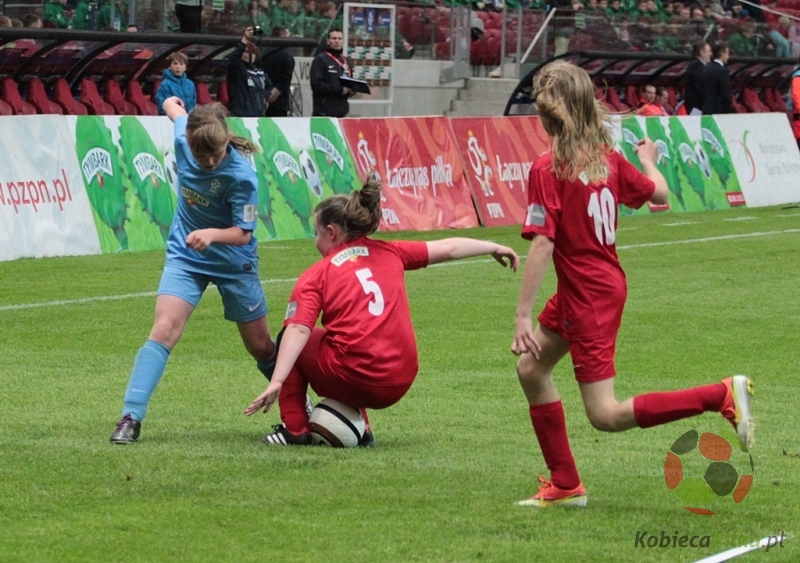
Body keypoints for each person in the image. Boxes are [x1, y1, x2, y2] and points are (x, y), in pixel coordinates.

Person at [512, 61, 753, 507]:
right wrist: (648, 160)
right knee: (531, 369)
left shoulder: (549, 168)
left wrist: (523, 314)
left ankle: (718, 395)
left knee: (605, 414)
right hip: (591, 288)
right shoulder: (609, 160)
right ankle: (565, 484)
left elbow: (543, 244)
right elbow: (659, 194)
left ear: (548, 115)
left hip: (588, 296)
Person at [244, 173, 520, 446]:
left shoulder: (317, 275)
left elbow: (299, 329)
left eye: (316, 233)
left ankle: (294, 430)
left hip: (360, 380)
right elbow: (448, 248)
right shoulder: (392, 251)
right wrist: (492, 246)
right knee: (343, 341)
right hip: (401, 379)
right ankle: (361, 431)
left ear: (332, 232)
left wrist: (277, 381)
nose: (316, 242)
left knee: (289, 339)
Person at [110, 99, 278, 444]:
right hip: (187, 256)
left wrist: (212, 235)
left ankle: (296, 403)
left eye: (215, 155)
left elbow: (243, 232)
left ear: (226, 141)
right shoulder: (183, 140)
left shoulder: (242, 176)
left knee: (260, 347)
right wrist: (169, 102)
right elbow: (176, 113)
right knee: (164, 328)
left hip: (234, 260)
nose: (209, 161)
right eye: (202, 157)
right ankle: (130, 417)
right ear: (189, 142)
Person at [310, 28, 356, 117]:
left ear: (343, 41)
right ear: (328, 41)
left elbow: (350, 81)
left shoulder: (345, 61)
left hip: (342, 111)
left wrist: (352, 90)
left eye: (339, 39)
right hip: (324, 112)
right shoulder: (320, 59)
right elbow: (316, 85)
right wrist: (340, 90)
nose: (337, 41)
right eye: (334, 38)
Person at [226, 27, 271, 118]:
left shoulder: (259, 72)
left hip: (259, 115)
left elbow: (268, 86)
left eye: (253, 52)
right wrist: (244, 40)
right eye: (246, 52)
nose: (251, 55)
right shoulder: (237, 69)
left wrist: (265, 98)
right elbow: (234, 59)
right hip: (240, 116)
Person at [261, 26, 296, 118]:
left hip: (260, 98)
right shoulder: (287, 56)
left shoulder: (262, 52)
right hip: (279, 102)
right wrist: (271, 97)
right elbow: (285, 80)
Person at [701, 42, 732, 115]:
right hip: (718, 111)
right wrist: (727, 110)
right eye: (727, 53)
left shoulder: (706, 68)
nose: (728, 57)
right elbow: (725, 94)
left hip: (706, 109)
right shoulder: (722, 71)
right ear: (722, 53)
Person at [684, 41, 711, 115]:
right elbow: (702, 87)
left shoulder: (699, 66)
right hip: (697, 108)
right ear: (702, 53)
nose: (710, 54)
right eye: (709, 51)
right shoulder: (697, 66)